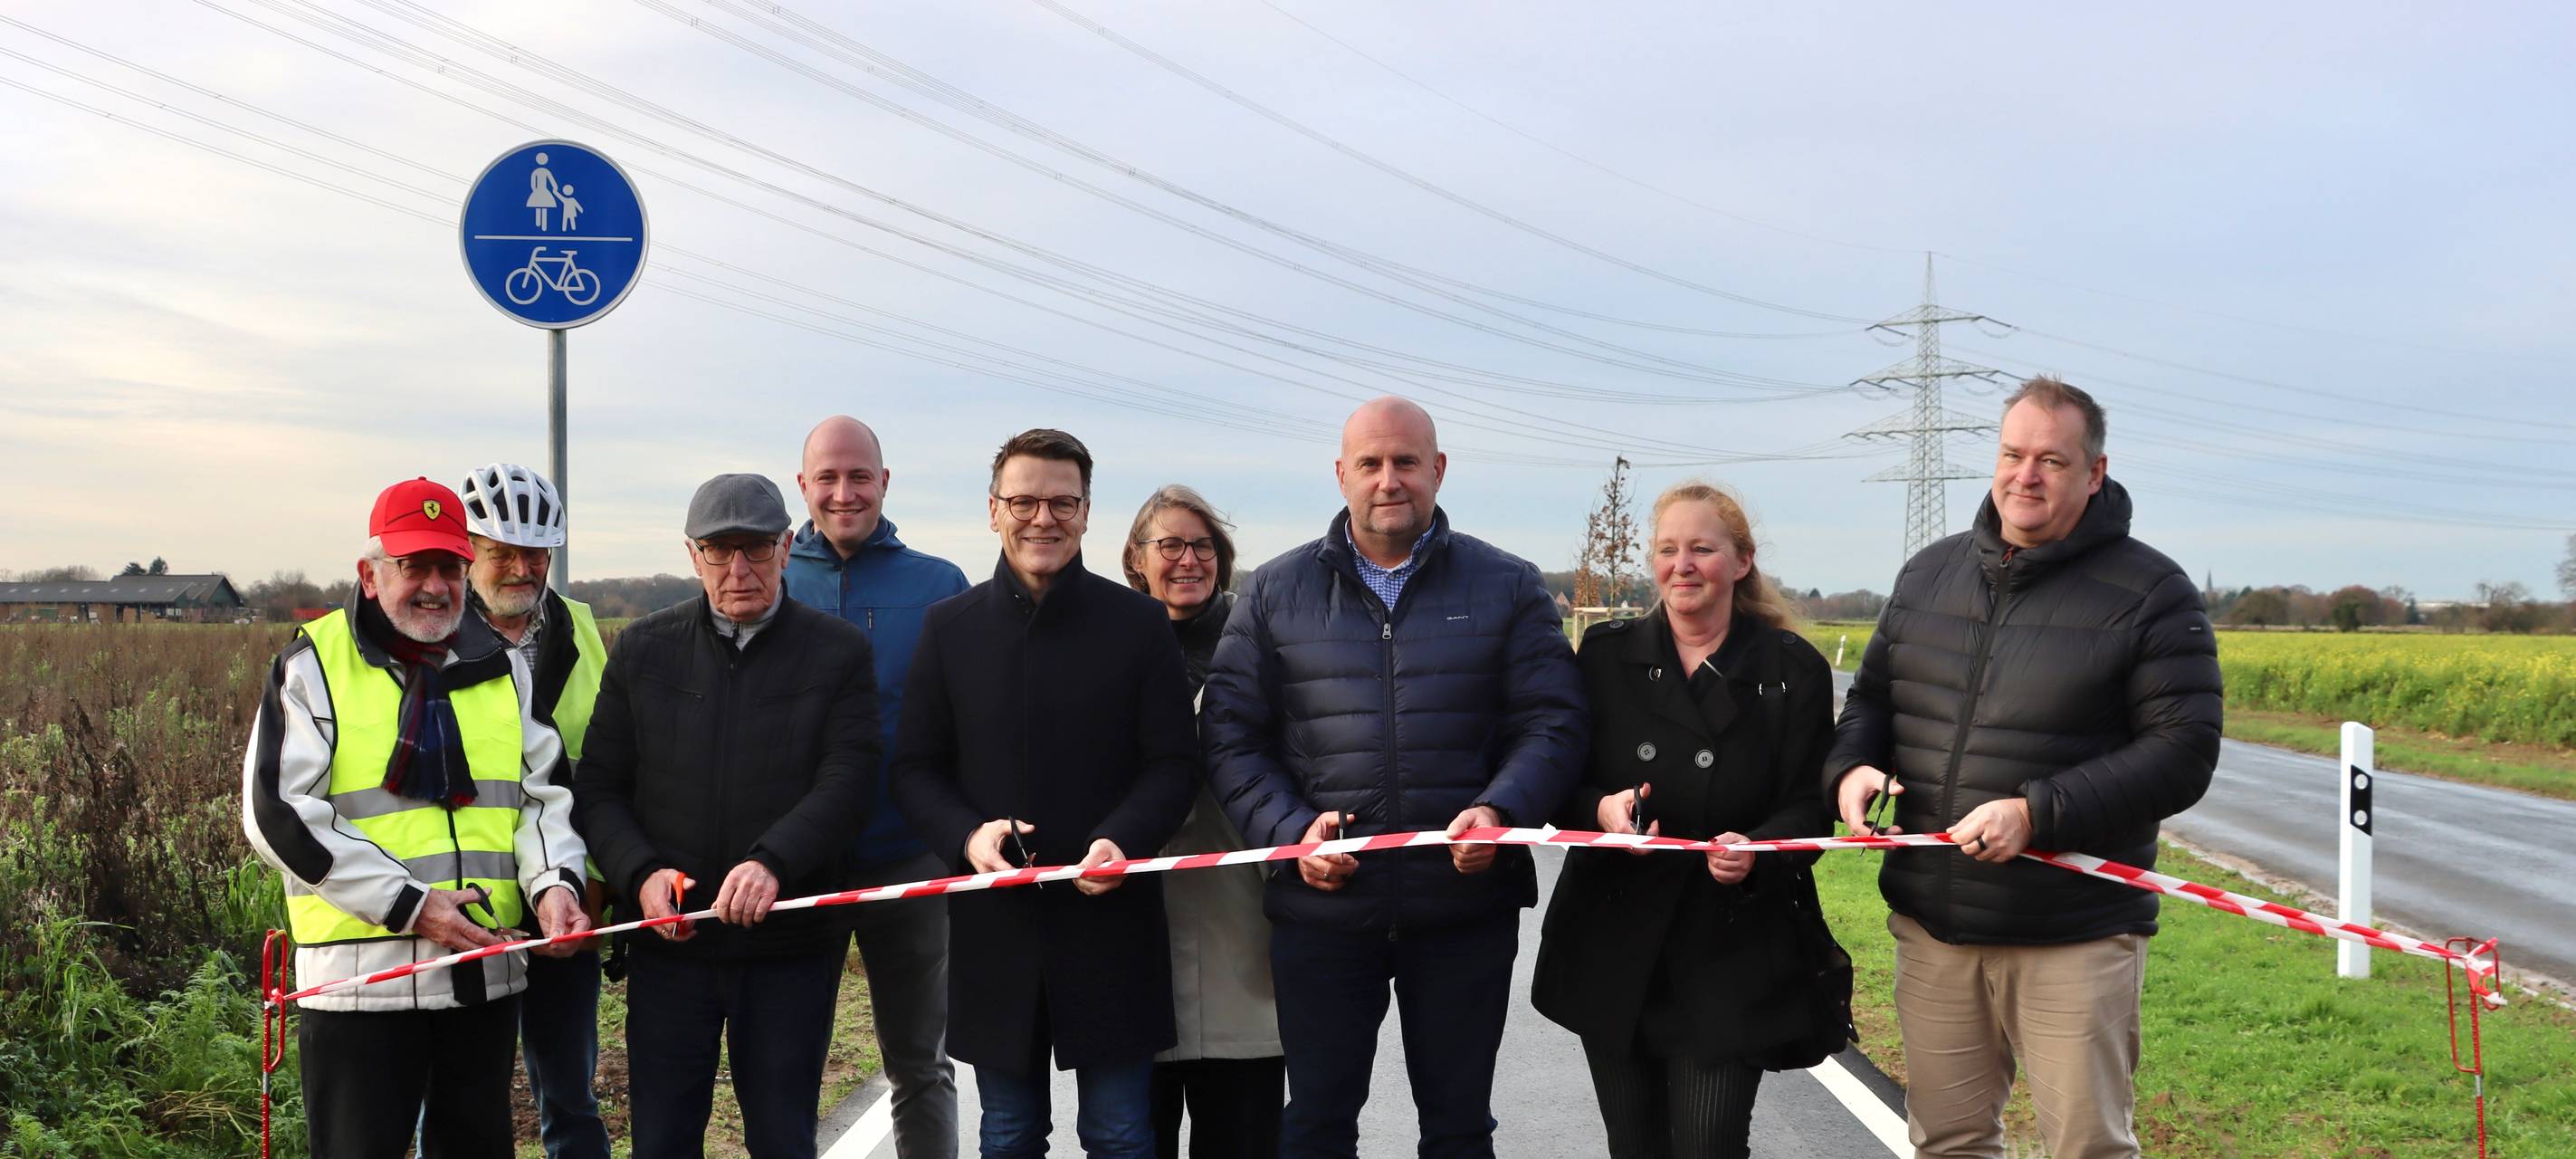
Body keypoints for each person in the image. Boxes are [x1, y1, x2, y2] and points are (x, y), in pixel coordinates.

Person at [1827, 376, 2221, 1159]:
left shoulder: (2153, 592)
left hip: (2072, 932)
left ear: (2095, 473)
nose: (2026, 476)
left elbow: (2183, 755)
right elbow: (1871, 702)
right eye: (2012, 454)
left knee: (2086, 1146)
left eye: (2051, 459)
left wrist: (2038, 813)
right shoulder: (1928, 575)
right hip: (1937, 927)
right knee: (1950, 1142)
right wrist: (1852, 771)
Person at [1200, 396, 1587, 1158]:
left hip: (1462, 909)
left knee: (1458, 1128)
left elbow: (1553, 721)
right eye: (1370, 464)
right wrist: (1287, 834)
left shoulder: (1507, 585)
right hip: (1323, 915)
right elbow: (1231, 736)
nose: (1389, 480)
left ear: (1437, 470)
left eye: (1406, 462)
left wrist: (1500, 809)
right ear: (1341, 474)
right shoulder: (1274, 592)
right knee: (1315, 1123)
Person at [240, 476, 591, 1157]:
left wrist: (556, 889)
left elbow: (542, 799)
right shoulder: (312, 666)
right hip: (360, 991)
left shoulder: (502, 668)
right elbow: (277, 815)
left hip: (481, 982)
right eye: (414, 567)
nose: (435, 586)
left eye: (450, 567)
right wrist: (411, 905)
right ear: (371, 575)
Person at [890, 429, 1198, 1159]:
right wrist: (969, 838)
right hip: (997, 926)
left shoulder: (1140, 625)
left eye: (1063, 502)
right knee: (1009, 1133)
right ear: (993, 510)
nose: (1043, 518)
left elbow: (1174, 764)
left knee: (1122, 1134)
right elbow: (915, 769)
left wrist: (1122, 839)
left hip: (1112, 917)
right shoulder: (949, 628)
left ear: (1087, 512)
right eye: (1024, 500)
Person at [572, 474, 882, 1159]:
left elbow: (850, 779)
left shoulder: (837, 652)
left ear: (786, 546)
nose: (738, 570)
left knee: (781, 1135)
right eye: (719, 551)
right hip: (669, 948)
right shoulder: (643, 649)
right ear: (692, 554)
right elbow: (599, 786)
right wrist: (641, 874)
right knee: (661, 1138)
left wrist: (774, 861)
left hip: (789, 950)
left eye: (756, 550)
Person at [1529, 482, 1837, 1159]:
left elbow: (1812, 808)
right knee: (1634, 1146)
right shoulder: (1605, 659)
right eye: (1668, 550)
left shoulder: (1793, 672)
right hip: (1613, 940)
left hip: (1733, 945)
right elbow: (1561, 782)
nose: (1683, 565)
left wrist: (1756, 850)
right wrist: (1603, 810)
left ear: (1742, 561)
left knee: (1708, 1144)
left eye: (1703, 548)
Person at [785, 417, 968, 1159]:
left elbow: (968, 725)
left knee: (920, 1062)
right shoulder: (771, 578)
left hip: (909, 861)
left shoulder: (939, 586)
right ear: (803, 486)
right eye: (827, 477)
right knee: (787, 1065)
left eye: (859, 476)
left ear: (885, 482)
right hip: (796, 866)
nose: (843, 492)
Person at [455, 462, 613, 1159]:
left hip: (568, 900)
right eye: (501, 553)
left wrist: (597, 878)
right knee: (460, 1101)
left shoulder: (578, 629)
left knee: (570, 1094)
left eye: (536, 554)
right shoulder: (434, 634)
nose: (521, 568)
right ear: (468, 551)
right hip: (471, 905)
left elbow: (607, 762)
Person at [1119, 485, 1283, 1159]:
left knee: (1243, 1135)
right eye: (1170, 545)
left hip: (1243, 929)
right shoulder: (1111, 644)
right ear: (1136, 558)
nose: (1189, 560)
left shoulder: (1260, 645)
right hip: (1135, 932)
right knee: (1136, 1135)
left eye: (1203, 545)